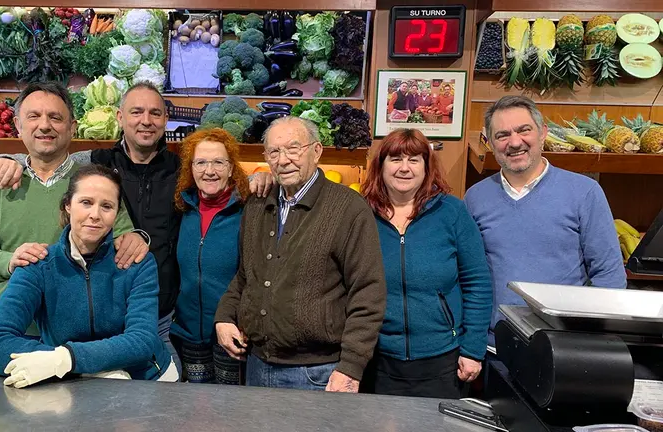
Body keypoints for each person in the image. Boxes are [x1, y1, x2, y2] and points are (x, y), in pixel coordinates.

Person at [0, 82, 273, 376]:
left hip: (164, 313)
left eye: (155, 113)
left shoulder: (182, 170)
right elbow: (51, 157)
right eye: (136, 112)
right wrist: (13, 160)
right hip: (106, 321)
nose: (146, 121)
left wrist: (260, 176)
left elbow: (218, 175)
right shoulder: (98, 161)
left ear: (166, 119)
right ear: (119, 117)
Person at [214, 116, 386, 393]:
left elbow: (368, 292)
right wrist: (224, 316)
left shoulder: (348, 208)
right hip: (256, 365)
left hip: (318, 374)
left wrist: (351, 368)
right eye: (274, 152)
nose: (283, 160)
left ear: (316, 151)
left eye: (294, 149)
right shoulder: (258, 204)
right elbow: (247, 275)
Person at [0, 164, 178, 388]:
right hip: (68, 386)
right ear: (67, 205)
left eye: (106, 206)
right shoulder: (38, 265)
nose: (95, 215)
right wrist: (61, 363)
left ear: (116, 214)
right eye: (86, 203)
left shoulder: (136, 263)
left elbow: (142, 340)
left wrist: (68, 358)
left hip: (143, 382)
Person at [0, 82, 148, 300]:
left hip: (86, 323)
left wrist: (134, 239)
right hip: (19, 323)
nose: (44, 125)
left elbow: (126, 240)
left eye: (55, 118)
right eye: (34, 116)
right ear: (18, 126)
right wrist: (10, 261)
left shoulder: (98, 183)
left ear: (72, 127)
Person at [464, 95, 626, 345]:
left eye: (524, 130)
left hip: (564, 346)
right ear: (490, 143)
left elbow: (609, 274)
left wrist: (590, 337)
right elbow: (470, 275)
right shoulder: (476, 198)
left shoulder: (584, 192)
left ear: (543, 133)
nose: (514, 142)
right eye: (502, 135)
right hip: (495, 346)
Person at [359, 129, 492, 399]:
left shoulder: (452, 212)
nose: (404, 168)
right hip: (377, 358)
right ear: (381, 165)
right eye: (395, 159)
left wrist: (472, 350)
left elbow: (477, 283)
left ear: (426, 166)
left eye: (414, 159)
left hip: (442, 359)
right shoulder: (361, 215)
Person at [170, 128, 251, 385]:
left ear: (231, 167)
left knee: (230, 409)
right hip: (189, 332)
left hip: (233, 332)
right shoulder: (183, 208)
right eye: (201, 162)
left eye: (218, 162)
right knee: (197, 405)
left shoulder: (249, 209)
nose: (209, 170)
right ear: (190, 168)